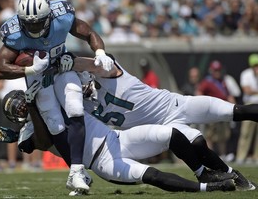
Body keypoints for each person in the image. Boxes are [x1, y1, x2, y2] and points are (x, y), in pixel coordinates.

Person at [57, 53, 257, 190]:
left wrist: (69, 60)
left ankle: (227, 174)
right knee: (198, 144)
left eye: (80, 79)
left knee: (236, 111)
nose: (80, 85)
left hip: (176, 104)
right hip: (164, 126)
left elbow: (94, 64)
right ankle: (232, 174)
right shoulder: (85, 107)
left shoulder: (109, 73)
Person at [0, 87, 237, 195]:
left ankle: (202, 172)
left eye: (22, 101)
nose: (23, 105)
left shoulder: (51, 101)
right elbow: (41, 142)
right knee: (151, 175)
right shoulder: (28, 132)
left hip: (116, 138)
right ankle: (207, 189)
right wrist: (31, 111)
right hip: (102, 162)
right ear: (17, 115)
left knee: (170, 134)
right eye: (18, 107)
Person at [0, 0, 113, 191]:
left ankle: (76, 171)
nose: (33, 27)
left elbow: (89, 32)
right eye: (29, 23)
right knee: (55, 125)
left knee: (74, 107)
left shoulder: (62, 15)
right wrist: (29, 68)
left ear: (49, 16)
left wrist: (99, 51)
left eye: (38, 22)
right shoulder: (14, 32)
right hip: (37, 75)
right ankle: (76, 171)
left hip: (62, 65)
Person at [196, 60, 236, 158]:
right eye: (215, 70)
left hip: (223, 111)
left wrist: (234, 106)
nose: (217, 72)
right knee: (210, 135)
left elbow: (228, 95)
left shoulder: (223, 81)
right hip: (211, 111)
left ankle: (222, 154)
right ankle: (210, 155)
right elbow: (199, 92)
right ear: (211, 71)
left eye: (218, 70)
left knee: (223, 135)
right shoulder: (207, 82)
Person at [236, 54, 258, 164]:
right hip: (250, 105)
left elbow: (251, 90)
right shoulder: (246, 74)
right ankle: (241, 157)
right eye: (255, 65)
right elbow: (247, 90)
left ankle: (256, 157)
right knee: (246, 133)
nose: (257, 67)